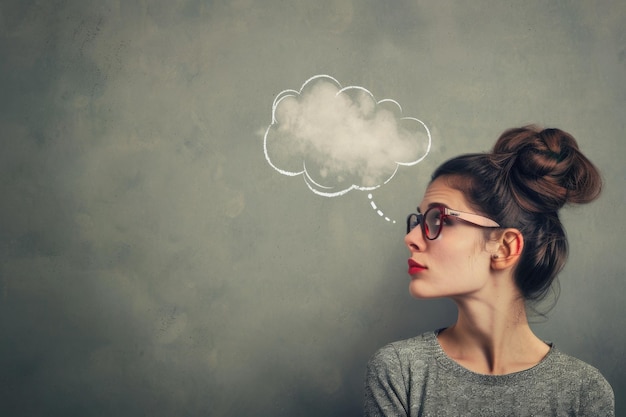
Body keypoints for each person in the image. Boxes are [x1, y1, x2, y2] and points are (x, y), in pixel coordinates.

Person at [364, 126, 615, 416]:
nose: (411, 237)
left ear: (505, 248)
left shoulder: (584, 392)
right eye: (418, 220)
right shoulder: (399, 372)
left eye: (439, 219)